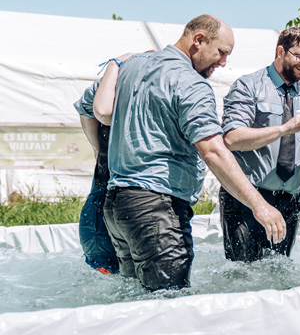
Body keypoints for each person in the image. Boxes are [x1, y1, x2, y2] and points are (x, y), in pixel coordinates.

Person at [99, 14, 286, 291]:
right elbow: (213, 151)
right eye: (221, 53)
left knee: (134, 303)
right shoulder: (191, 83)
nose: (223, 62)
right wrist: (260, 205)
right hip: (156, 210)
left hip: (117, 205)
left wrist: (98, 152)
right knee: (169, 307)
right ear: (198, 40)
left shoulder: (132, 65)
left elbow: (93, 107)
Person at [220, 27, 300, 262]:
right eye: (299, 56)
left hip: (289, 201)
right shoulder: (248, 86)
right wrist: (285, 129)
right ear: (280, 51)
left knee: (277, 273)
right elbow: (232, 138)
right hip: (247, 198)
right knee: (242, 275)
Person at [74, 77, 122, 274]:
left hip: (108, 183)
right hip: (114, 187)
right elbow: (88, 108)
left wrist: (97, 146)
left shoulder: (114, 84)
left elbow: (86, 108)